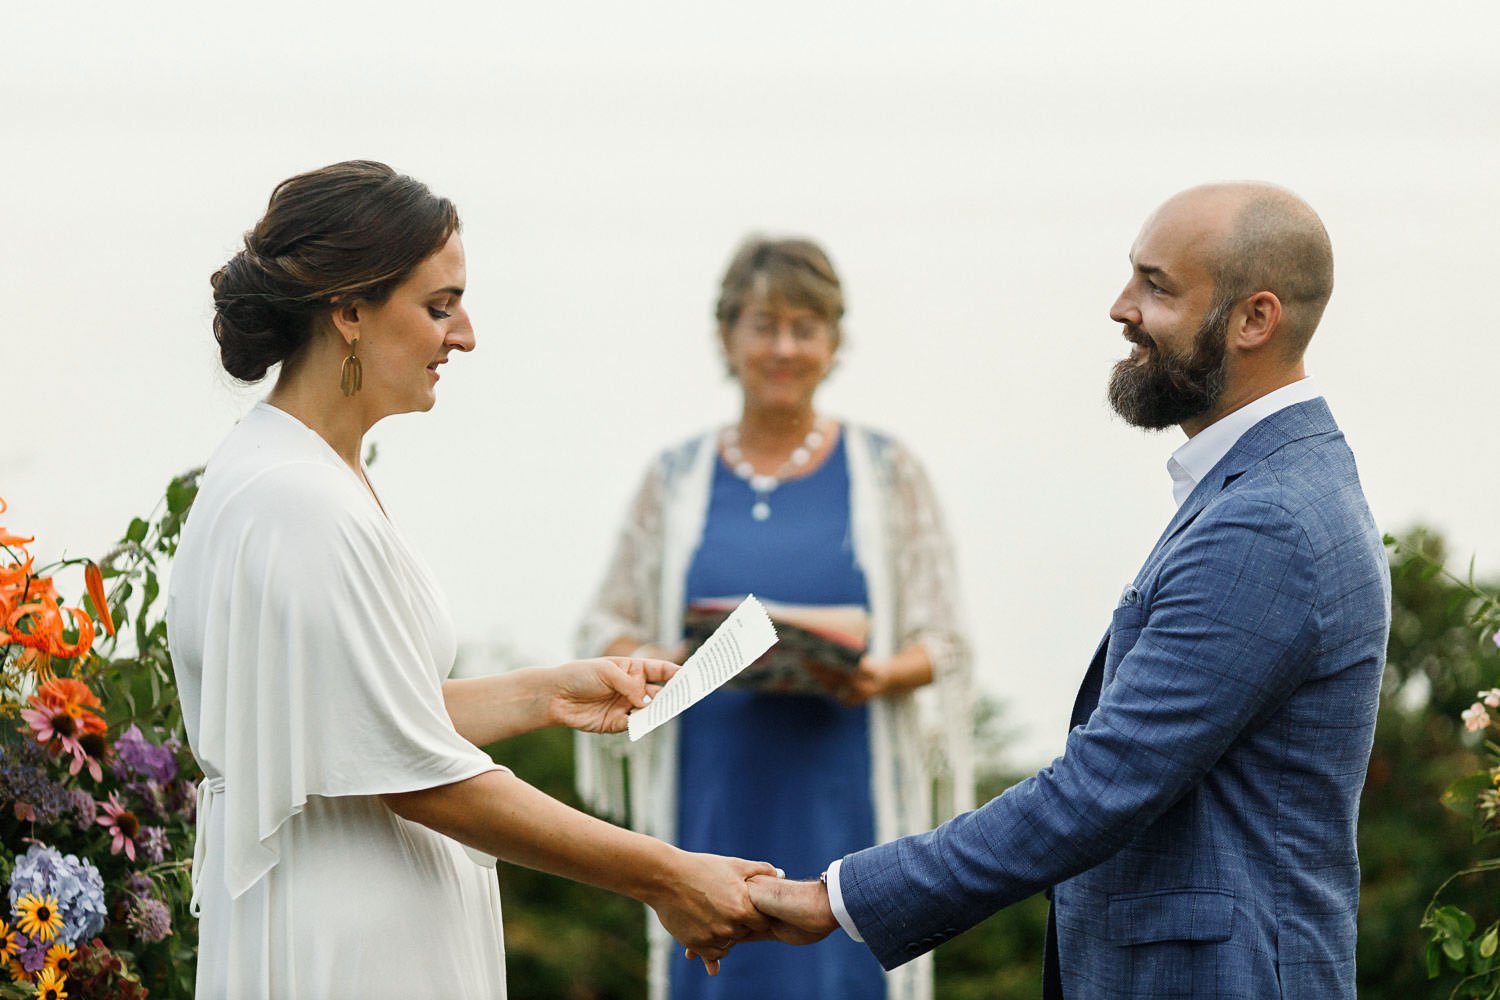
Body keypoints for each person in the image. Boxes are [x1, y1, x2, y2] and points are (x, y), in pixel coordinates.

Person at [745, 182, 1392, 1000]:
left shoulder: (1267, 522)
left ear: (1252, 320)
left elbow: (1100, 787)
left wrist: (834, 897)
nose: (1120, 308)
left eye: (1156, 286)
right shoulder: (1269, 488)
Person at [166, 160, 775, 1000]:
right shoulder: (295, 501)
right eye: (438, 306)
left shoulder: (302, 474)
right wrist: (665, 875)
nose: (466, 336)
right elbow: (422, 781)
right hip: (346, 948)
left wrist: (543, 695)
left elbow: (341, 722)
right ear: (348, 311)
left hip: (370, 923)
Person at [575, 236, 974, 1000]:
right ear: (727, 336)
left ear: (834, 341)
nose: (784, 347)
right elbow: (606, 624)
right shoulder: (674, 478)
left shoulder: (888, 471)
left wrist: (877, 672)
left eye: (805, 327)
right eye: (763, 325)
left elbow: (945, 642)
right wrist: (663, 659)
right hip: (711, 791)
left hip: (845, 796)